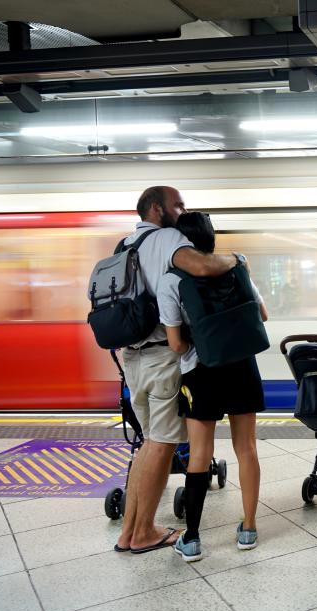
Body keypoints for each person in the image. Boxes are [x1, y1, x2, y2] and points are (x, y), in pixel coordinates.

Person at [115, 187, 238, 554]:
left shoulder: (125, 243)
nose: (182, 212)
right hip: (160, 355)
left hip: (132, 358)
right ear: (157, 209)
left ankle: (130, 532)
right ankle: (143, 534)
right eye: (177, 205)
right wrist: (234, 259)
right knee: (162, 444)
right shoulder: (167, 237)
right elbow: (201, 265)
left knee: (147, 444)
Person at [157, 211, 267, 562]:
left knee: (200, 455)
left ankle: (191, 539)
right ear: (212, 238)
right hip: (242, 366)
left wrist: (202, 341)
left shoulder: (171, 280)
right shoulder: (237, 266)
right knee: (246, 448)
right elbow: (262, 315)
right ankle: (248, 528)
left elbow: (175, 345)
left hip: (200, 372)